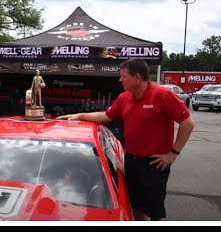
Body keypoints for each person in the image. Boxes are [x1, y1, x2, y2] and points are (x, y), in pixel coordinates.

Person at [57, 58, 195, 221]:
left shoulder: (162, 95)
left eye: (124, 76)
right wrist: (79, 116)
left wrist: (173, 153)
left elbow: (188, 123)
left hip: (154, 164)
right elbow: (106, 116)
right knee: (135, 207)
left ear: (137, 77)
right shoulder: (124, 98)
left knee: (154, 211)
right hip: (130, 161)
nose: (120, 79)